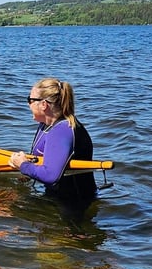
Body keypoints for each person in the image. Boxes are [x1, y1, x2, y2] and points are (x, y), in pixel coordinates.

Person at [8, 77, 98, 211]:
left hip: (75, 204)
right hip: (55, 197)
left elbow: (50, 175)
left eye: (30, 100)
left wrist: (23, 165)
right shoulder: (45, 125)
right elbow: (41, 161)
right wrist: (25, 173)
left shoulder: (62, 130)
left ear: (43, 104)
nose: (28, 104)